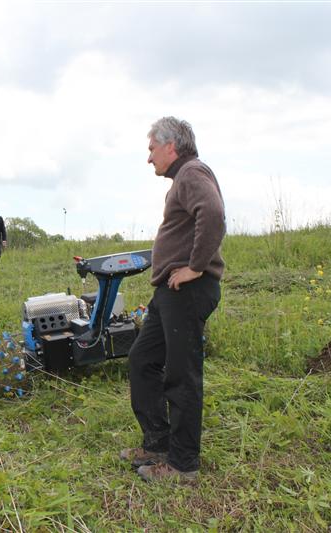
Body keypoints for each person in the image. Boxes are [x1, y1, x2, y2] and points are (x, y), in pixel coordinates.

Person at [121, 117, 225, 483]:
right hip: (169, 292)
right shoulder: (182, 180)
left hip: (187, 290)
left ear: (171, 146)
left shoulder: (193, 172)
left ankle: (182, 465)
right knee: (142, 360)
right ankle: (158, 443)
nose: (149, 158)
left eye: (151, 149)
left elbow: (212, 215)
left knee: (182, 375)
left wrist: (195, 267)